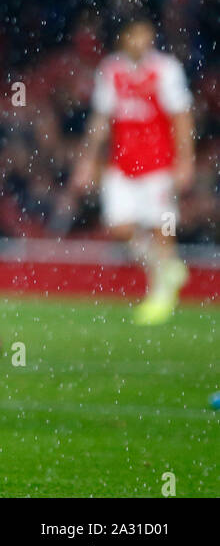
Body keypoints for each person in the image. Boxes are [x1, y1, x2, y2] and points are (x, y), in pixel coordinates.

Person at [71, 20, 194, 325]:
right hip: (122, 165)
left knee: (161, 229)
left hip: (158, 166)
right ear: (124, 38)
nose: (141, 40)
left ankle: (160, 296)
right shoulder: (111, 70)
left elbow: (181, 117)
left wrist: (185, 160)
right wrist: (87, 159)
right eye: (135, 34)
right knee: (119, 227)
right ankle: (166, 270)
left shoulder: (165, 69)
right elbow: (101, 120)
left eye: (146, 34)